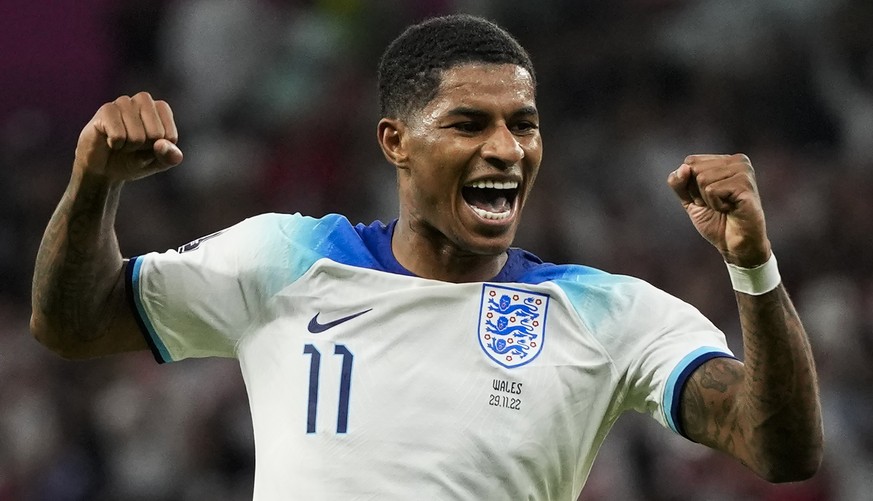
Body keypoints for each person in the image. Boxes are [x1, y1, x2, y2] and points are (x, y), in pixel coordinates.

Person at [31, 13, 822, 500]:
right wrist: (94, 182)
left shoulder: (609, 312)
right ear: (395, 142)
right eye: (469, 123)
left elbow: (780, 451)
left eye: (524, 123)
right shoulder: (284, 259)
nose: (506, 149)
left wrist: (752, 268)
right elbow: (72, 323)